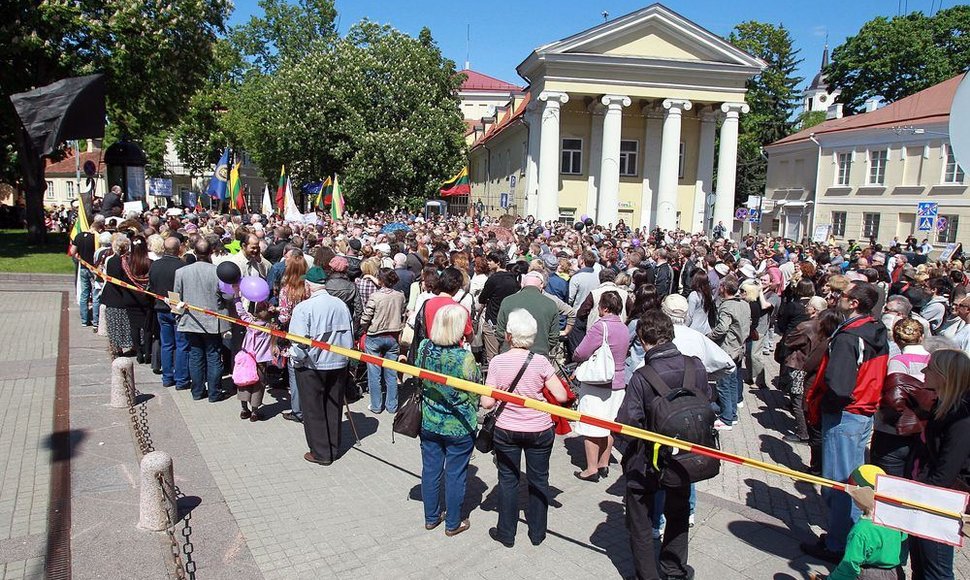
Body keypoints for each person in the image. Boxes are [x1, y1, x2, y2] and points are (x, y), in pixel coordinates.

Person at [618, 310, 711, 580]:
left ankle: (647, 575)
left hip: (648, 460)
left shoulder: (642, 376)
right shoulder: (695, 366)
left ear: (643, 340)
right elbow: (706, 403)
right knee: (679, 512)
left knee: (640, 519)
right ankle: (674, 570)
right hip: (685, 456)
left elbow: (628, 422)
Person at [802, 283, 889, 562]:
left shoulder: (850, 337)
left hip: (845, 415)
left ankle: (838, 545)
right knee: (853, 477)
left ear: (854, 304)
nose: (838, 298)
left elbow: (838, 385)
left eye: (844, 295)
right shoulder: (875, 328)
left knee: (840, 484)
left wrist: (826, 406)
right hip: (863, 411)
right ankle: (844, 536)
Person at [481, 309, 569, 548]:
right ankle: (537, 533)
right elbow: (561, 396)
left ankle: (506, 533)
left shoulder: (498, 362)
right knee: (539, 480)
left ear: (508, 335)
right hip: (539, 428)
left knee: (508, 480)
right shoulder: (541, 362)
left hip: (506, 428)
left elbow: (487, 403)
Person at [415, 304, 481, 536]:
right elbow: (475, 392)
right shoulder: (465, 358)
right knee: (455, 474)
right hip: (459, 425)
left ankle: (431, 517)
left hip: (430, 420)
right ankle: (453, 523)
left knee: (431, 470)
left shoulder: (423, 348)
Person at [909, 349, 970, 580]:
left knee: (936, 569)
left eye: (930, 368)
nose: (924, 371)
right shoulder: (943, 405)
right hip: (925, 495)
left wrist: (919, 496)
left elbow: (946, 470)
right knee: (920, 565)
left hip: (940, 502)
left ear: (945, 375)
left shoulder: (962, 417)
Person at [288, 271, 354, 465]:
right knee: (333, 405)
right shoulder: (340, 305)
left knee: (313, 408)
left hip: (312, 365)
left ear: (308, 286)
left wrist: (296, 360)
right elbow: (349, 332)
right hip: (338, 362)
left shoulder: (304, 308)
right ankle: (333, 447)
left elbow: (298, 342)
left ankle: (321, 452)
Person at [572, 291, 630, 481]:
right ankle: (604, 463)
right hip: (618, 382)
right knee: (609, 425)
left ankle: (591, 468)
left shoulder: (600, 327)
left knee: (591, 426)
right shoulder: (623, 327)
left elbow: (581, 352)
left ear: (604, 308)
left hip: (598, 383)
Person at [811, 465, 906, 580]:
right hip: (896, 572)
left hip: (871, 575)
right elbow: (903, 541)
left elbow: (849, 566)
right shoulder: (895, 519)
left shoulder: (861, 531)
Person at [173, 239, 231, 403]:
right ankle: (214, 392)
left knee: (195, 356)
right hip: (212, 321)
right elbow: (227, 296)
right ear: (211, 252)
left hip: (190, 320)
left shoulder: (182, 272)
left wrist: (178, 316)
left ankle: (197, 391)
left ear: (194, 252)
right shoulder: (217, 272)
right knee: (212, 356)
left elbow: (175, 298)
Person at [358, 268, 406, 414]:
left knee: (374, 373)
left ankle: (376, 405)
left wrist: (364, 325)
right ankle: (392, 406)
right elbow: (401, 311)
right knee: (391, 373)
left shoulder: (375, 296)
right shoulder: (400, 296)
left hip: (375, 336)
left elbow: (366, 317)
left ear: (381, 280)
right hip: (393, 336)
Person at [708, 276, 750, 431]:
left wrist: (709, 336)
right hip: (739, 348)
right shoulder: (744, 304)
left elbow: (722, 328)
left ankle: (727, 417)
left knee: (724, 384)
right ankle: (732, 413)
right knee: (733, 382)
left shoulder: (727, 307)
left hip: (728, 349)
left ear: (724, 288)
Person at [148, 237, 189, 390]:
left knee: (167, 344)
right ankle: (181, 379)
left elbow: (151, 285)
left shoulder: (155, 265)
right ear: (179, 249)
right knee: (181, 345)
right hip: (177, 309)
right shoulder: (182, 266)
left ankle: (167, 377)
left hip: (161, 308)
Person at [277, 254, 311, 423]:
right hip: (310, 336)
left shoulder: (286, 290)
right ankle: (309, 408)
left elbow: (283, 317)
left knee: (294, 375)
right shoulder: (309, 289)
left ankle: (298, 411)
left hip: (292, 337)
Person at [495, 271, 560, 357]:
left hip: (510, 355)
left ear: (522, 284)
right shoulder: (550, 304)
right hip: (539, 356)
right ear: (542, 285)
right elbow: (554, 336)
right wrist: (543, 348)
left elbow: (499, 332)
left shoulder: (507, 301)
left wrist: (507, 346)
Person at [233, 299, 276, 422]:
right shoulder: (270, 327)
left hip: (247, 359)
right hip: (261, 362)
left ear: (255, 313)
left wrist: (237, 297)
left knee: (244, 382)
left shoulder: (250, 324)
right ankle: (254, 412)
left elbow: (241, 312)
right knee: (258, 386)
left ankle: (244, 409)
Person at [478, 250, 520, 364]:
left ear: (498, 263)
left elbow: (481, 298)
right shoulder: (513, 278)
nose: (488, 263)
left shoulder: (493, 279)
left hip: (493, 320)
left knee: (492, 356)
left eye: (490, 260)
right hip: (508, 321)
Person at [100, 234, 134, 356]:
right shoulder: (126, 261)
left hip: (112, 295)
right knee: (126, 322)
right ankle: (130, 344)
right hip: (123, 295)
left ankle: (116, 347)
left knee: (114, 324)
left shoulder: (111, 260)